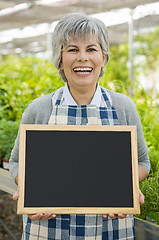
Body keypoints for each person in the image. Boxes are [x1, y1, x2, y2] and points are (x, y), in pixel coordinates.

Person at [9, 12, 150, 240]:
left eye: (91, 49)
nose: (83, 57)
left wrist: (125, 187)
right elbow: (16, 162)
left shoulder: (123, 107)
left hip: (111, 229)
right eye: (73, 49)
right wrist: (30, 191)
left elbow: (142, 161)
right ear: (60, 58)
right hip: (49, 229)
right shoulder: (40, 109)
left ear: (103, 57)